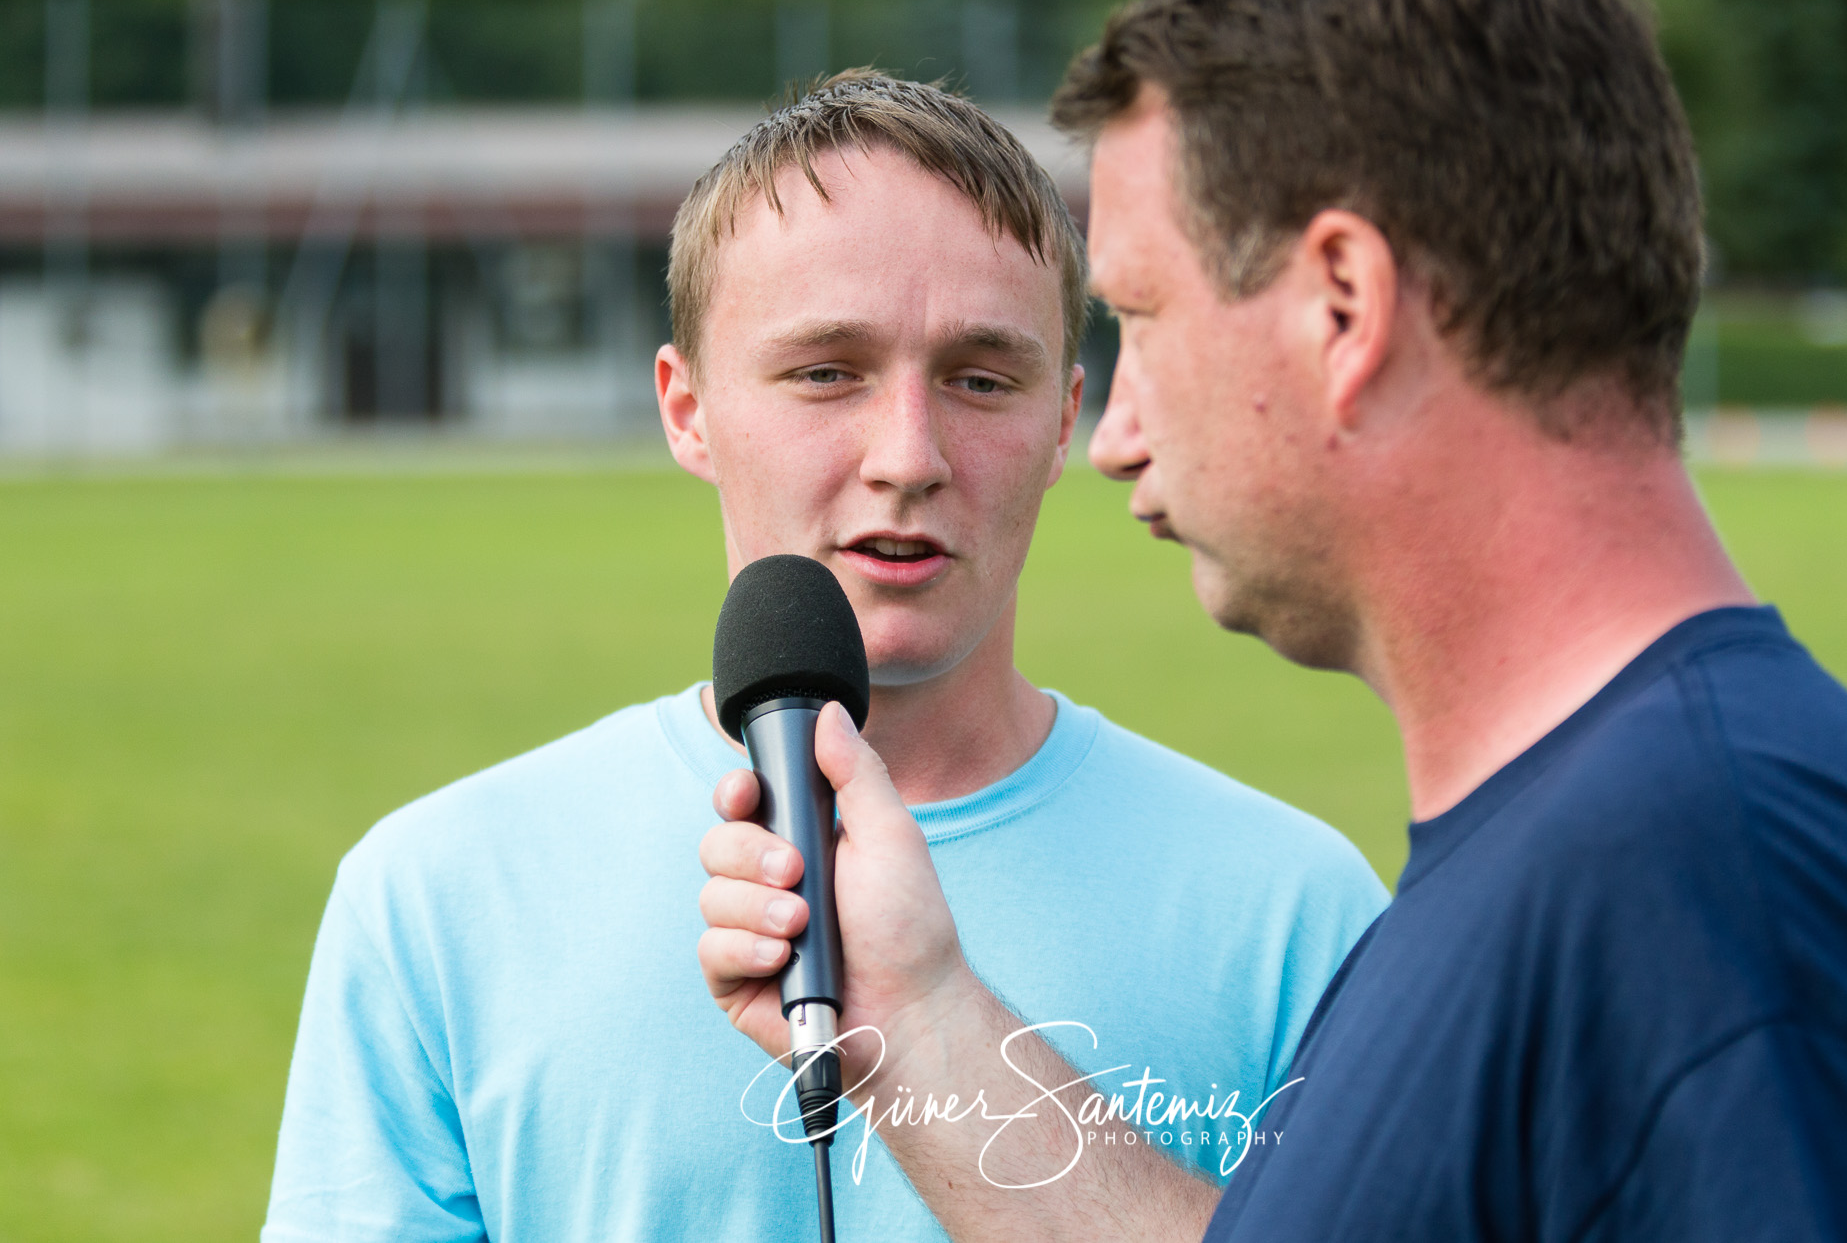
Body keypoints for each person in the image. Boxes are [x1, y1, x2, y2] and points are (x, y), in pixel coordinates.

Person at [700, 0, 1847, 1243]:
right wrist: (918, 1027)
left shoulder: (1721, 894)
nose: (1112, 437)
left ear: (1343, 305)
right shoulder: (1583, 854)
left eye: (1145, 321)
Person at [260, 70, 1386, 1243]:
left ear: (1064, 420)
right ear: (686, 409)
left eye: (980, 379)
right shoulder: (445, 897)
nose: (908, 456)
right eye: (824, 373)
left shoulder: (1290, 915)